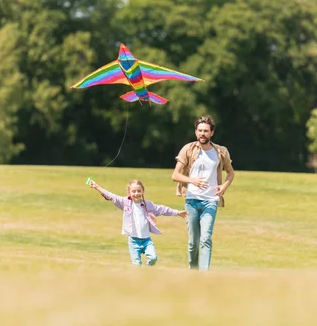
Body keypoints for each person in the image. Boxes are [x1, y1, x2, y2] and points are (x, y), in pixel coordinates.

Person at [172, 115, 235, 271]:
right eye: (200, 130)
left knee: (205, 238)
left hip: (210, 201)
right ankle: (193, 270)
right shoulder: (188, 149)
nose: (202, 134)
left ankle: (204, 274)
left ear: (212, 132)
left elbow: (230, 173)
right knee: (193, 242)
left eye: (206, 131)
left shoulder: (220, 151)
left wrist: (224, 187)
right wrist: (192, 180)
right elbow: (175, 175)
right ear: (195, 132)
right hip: (192, 200)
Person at [88, 178, 188, 266]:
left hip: (146, 240)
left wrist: (177, 212)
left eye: (139, 191)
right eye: (133, 191)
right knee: (136, 265)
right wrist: (96, 186)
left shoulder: (147, 205)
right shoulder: (125, 202)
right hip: (133, 241)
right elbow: (111, 196)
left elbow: (162, 209)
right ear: (129, 192)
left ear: (142, 191)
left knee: (153, 258)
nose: (136, 193)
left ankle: (147, 269)